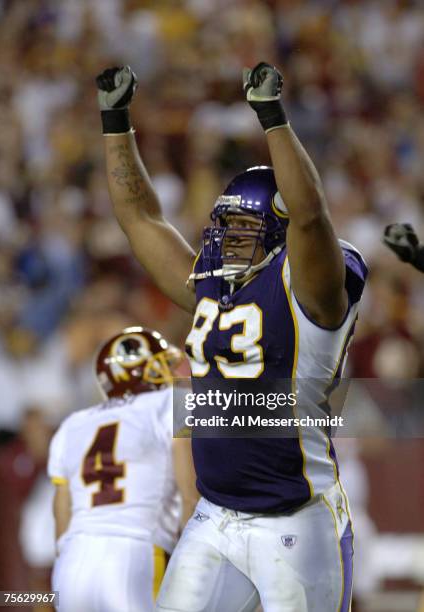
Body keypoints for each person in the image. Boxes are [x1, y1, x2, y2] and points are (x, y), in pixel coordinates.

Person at [96, 63, 368, 611]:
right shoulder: (208, 283)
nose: (225, 238)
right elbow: (140, 218)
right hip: (215, 515)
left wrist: (272, 118)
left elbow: (312, 217)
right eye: (222, 224)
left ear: (276, 233)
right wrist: (115, 122)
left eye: (242, 227)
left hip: (296, 518)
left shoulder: (306, 288)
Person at [48, 326, 198, 612]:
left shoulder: (72, 424)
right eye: (160, 365)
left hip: (72, 562)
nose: (170, 372)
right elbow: (190, 495)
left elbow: (61, 515)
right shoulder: (171, 402)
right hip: (134, 553)